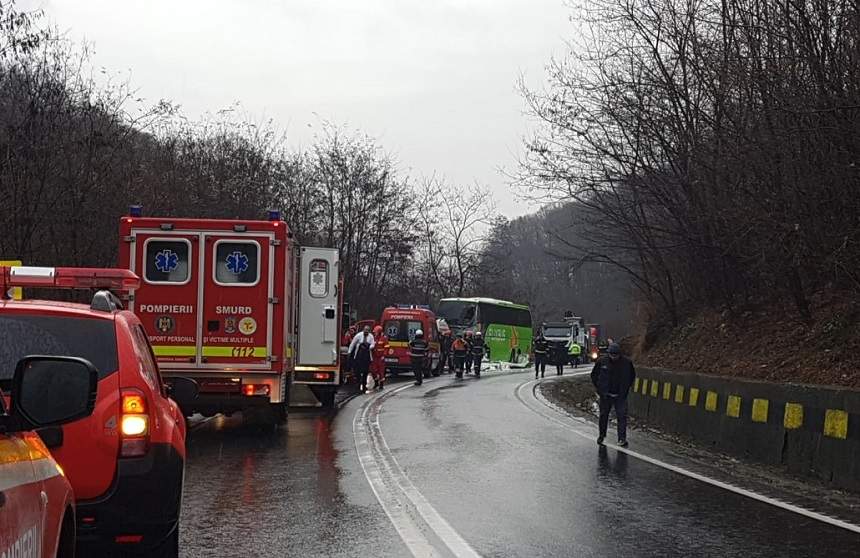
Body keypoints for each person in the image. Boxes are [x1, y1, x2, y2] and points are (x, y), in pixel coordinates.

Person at [590, 342, 636, 447]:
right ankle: (602, 436)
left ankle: (622, 438)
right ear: (609, 353)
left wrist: (626, 388)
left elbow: (632, 376)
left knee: (622, 416)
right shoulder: (602, 362)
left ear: (619, 354)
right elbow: (594, 375)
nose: (614, 357)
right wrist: (599, 388)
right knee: (603, 416)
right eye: (612, 354)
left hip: (620, 395)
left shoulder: (626, 363)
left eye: (616, 355)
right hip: (606, 395)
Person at [348, 325, 375, 393]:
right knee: (357, 371)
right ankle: (358, 383)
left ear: (369, 331)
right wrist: (349, 352)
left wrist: (369, 347)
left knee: (365, 371)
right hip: (359, 356)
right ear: (363, 330)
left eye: (367, 330)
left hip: (366, 356)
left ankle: (364, 385)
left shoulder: (371, 336)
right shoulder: (358, 335)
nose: (366, 332)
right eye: (365, 330)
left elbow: (373, 344)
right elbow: (352, 344)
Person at [370, 325, 387, 390]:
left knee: (381, 371)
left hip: (380, 357)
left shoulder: (384, 338)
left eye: (375, 332)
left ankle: (381, 384)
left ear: (379, 332)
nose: (374, 333)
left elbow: (386, 347)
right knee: (373, 370)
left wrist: (383, 356)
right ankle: (376, 382)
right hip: (374, 357)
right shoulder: (373, 338)